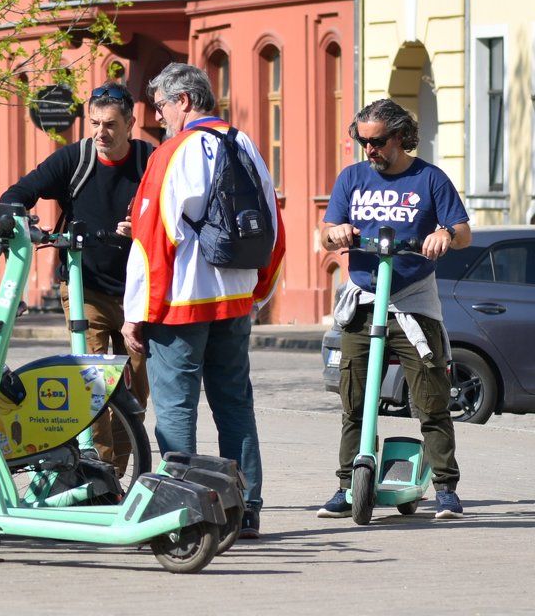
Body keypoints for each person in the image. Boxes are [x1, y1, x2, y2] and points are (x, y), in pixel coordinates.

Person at [121, 62, 285, 539]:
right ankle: (247, 506)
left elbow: (152, 242)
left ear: (185, 102)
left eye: (162, 106)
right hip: (234, 302)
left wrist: (138, 314)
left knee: (175, 410)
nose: (158, 117)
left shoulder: (172, 153)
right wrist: (258, 293)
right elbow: (274, 228)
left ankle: (180, 511)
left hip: (181, 304)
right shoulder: (245, 144)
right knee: (235, 406)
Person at [318, 98, 471, 520]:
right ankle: (347, 484)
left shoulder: (429, 178)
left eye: (377, 141)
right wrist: (337, 232)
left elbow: (462, 232)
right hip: (364, 301)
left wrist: (443, 234)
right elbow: (326, 232)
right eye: (362, 141)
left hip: (412, 302)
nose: (369, 149)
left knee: (431, 400)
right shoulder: (351, 178)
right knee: (354, 400)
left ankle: (445, 488)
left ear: (400, 136)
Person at [0, 83, 153, 467]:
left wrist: (146, 229)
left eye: (111, 125)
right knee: (95, 382)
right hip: (86, 285)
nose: (101, 132)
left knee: (134, 387)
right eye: (95, 123)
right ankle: (101, 473)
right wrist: (16, 214)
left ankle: (119, 465)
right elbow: (20, 190)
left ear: (131, 123)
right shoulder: (75, 159)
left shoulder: (150, 162)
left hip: (140, 290)